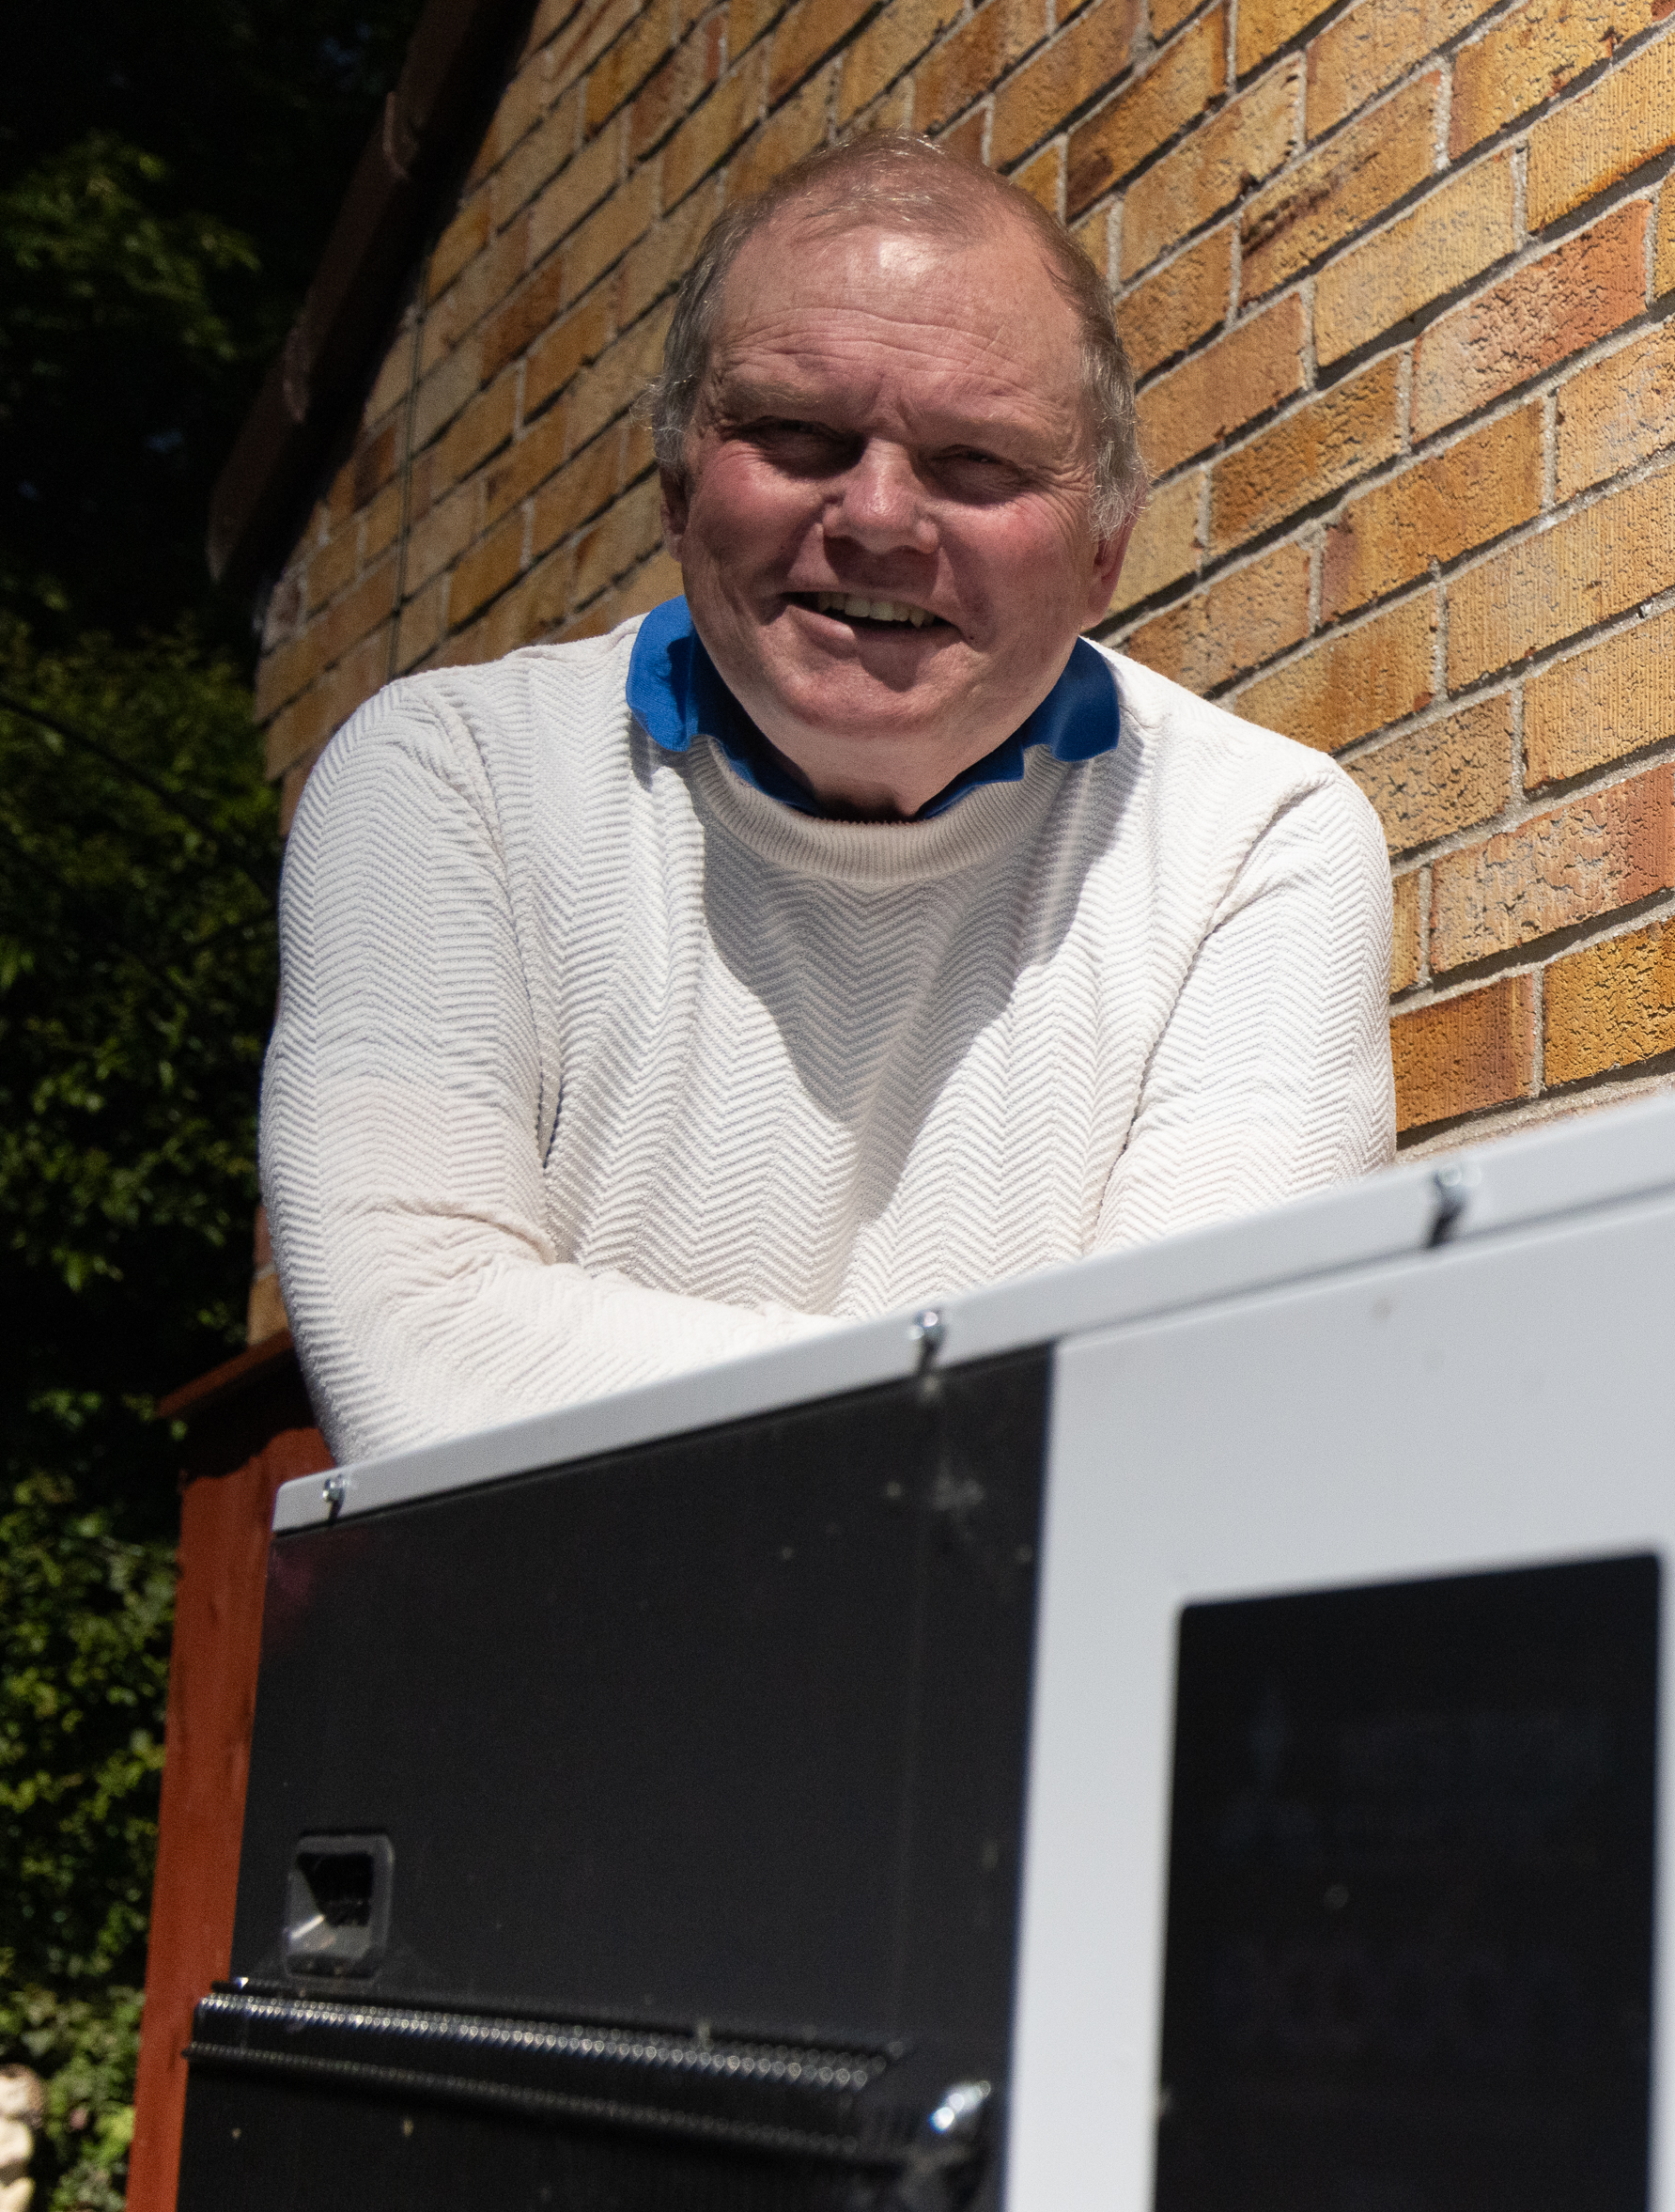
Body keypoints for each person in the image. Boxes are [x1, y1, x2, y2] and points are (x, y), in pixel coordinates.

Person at [256, 134, 1393, 1464]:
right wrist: (1012, 1411)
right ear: (677, 489)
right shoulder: (451, 778)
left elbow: (1206, 1404)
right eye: (798, 435)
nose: (878, 516)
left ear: (1104, 550)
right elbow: (417, 1354)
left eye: (977, 459)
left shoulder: (1257, 837)